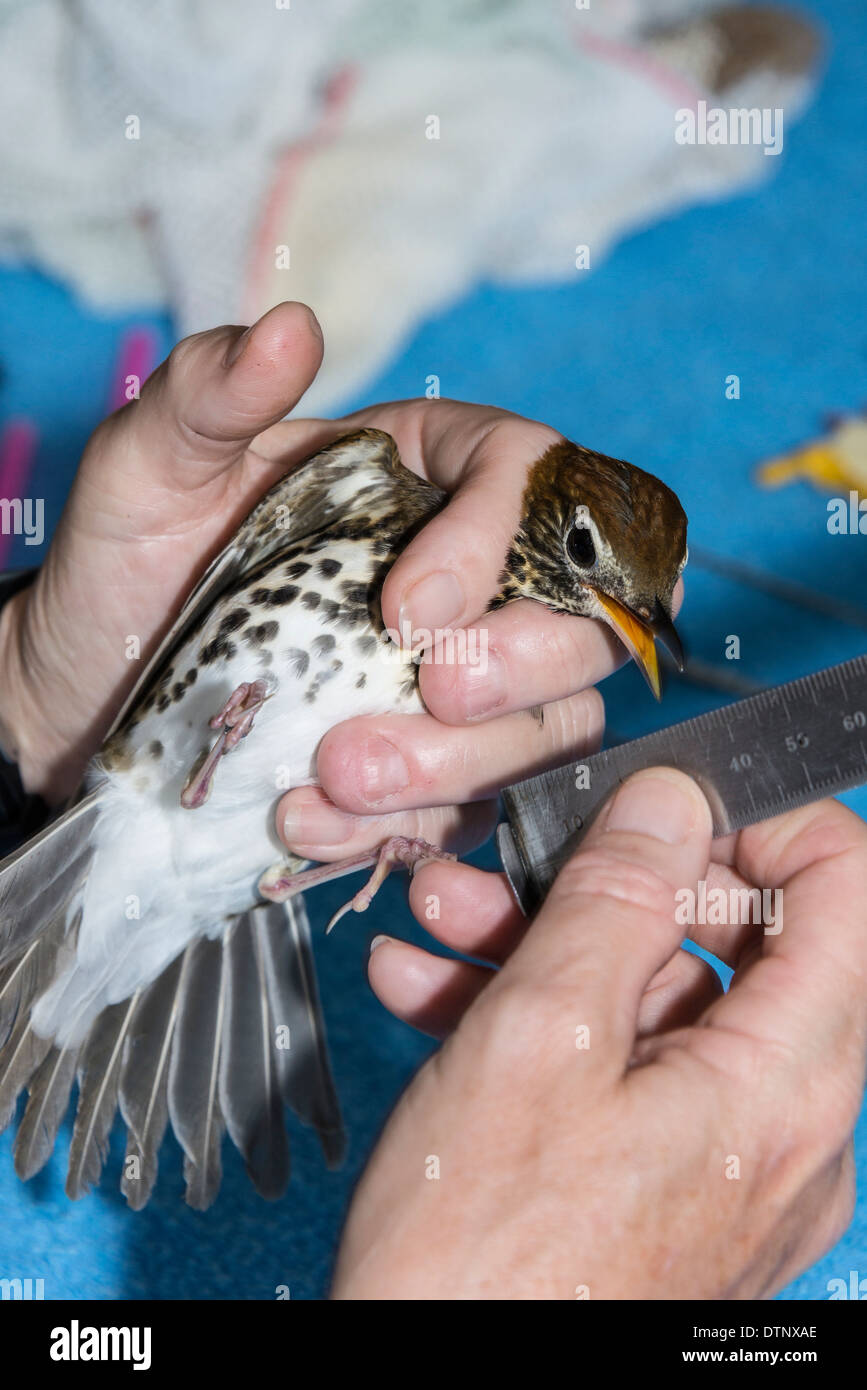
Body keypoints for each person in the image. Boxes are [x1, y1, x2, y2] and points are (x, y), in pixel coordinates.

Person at [1, 302, 864, 1300]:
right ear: (558, 522)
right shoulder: (371, 488)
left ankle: (282, 859)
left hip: (223, 848)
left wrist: (28, 692)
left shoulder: (508, 635)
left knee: (384, 785)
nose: (628, 618)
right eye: (594, 563)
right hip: (157, 768)